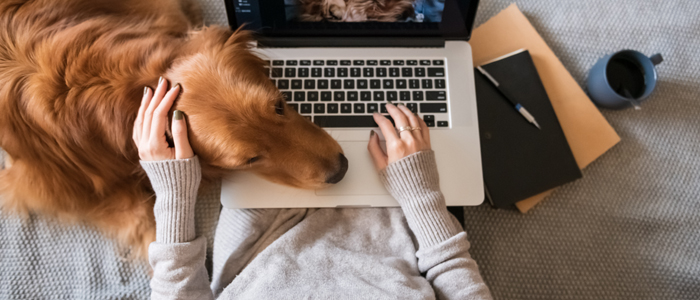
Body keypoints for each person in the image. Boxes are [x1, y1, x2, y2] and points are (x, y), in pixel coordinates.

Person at [133, 77, 492, 299]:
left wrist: (172, 195)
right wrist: (420, 195)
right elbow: (456, 276)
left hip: (263, 235)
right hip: (397, 225)